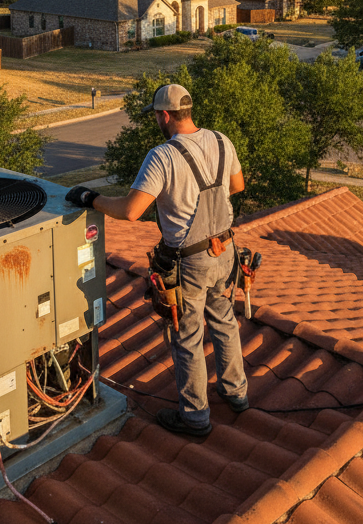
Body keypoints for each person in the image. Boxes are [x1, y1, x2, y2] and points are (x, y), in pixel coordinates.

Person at [64, 83, 249, 436]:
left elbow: (131, 211)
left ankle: (196, 418)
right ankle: (236, 393)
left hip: (189, 262)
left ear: (164, 115)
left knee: (188, 335)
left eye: (156, 116)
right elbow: (237, 186)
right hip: (225, 252)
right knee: (224, 320)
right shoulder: (222, 141)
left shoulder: (162, 156)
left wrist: (91, 198)